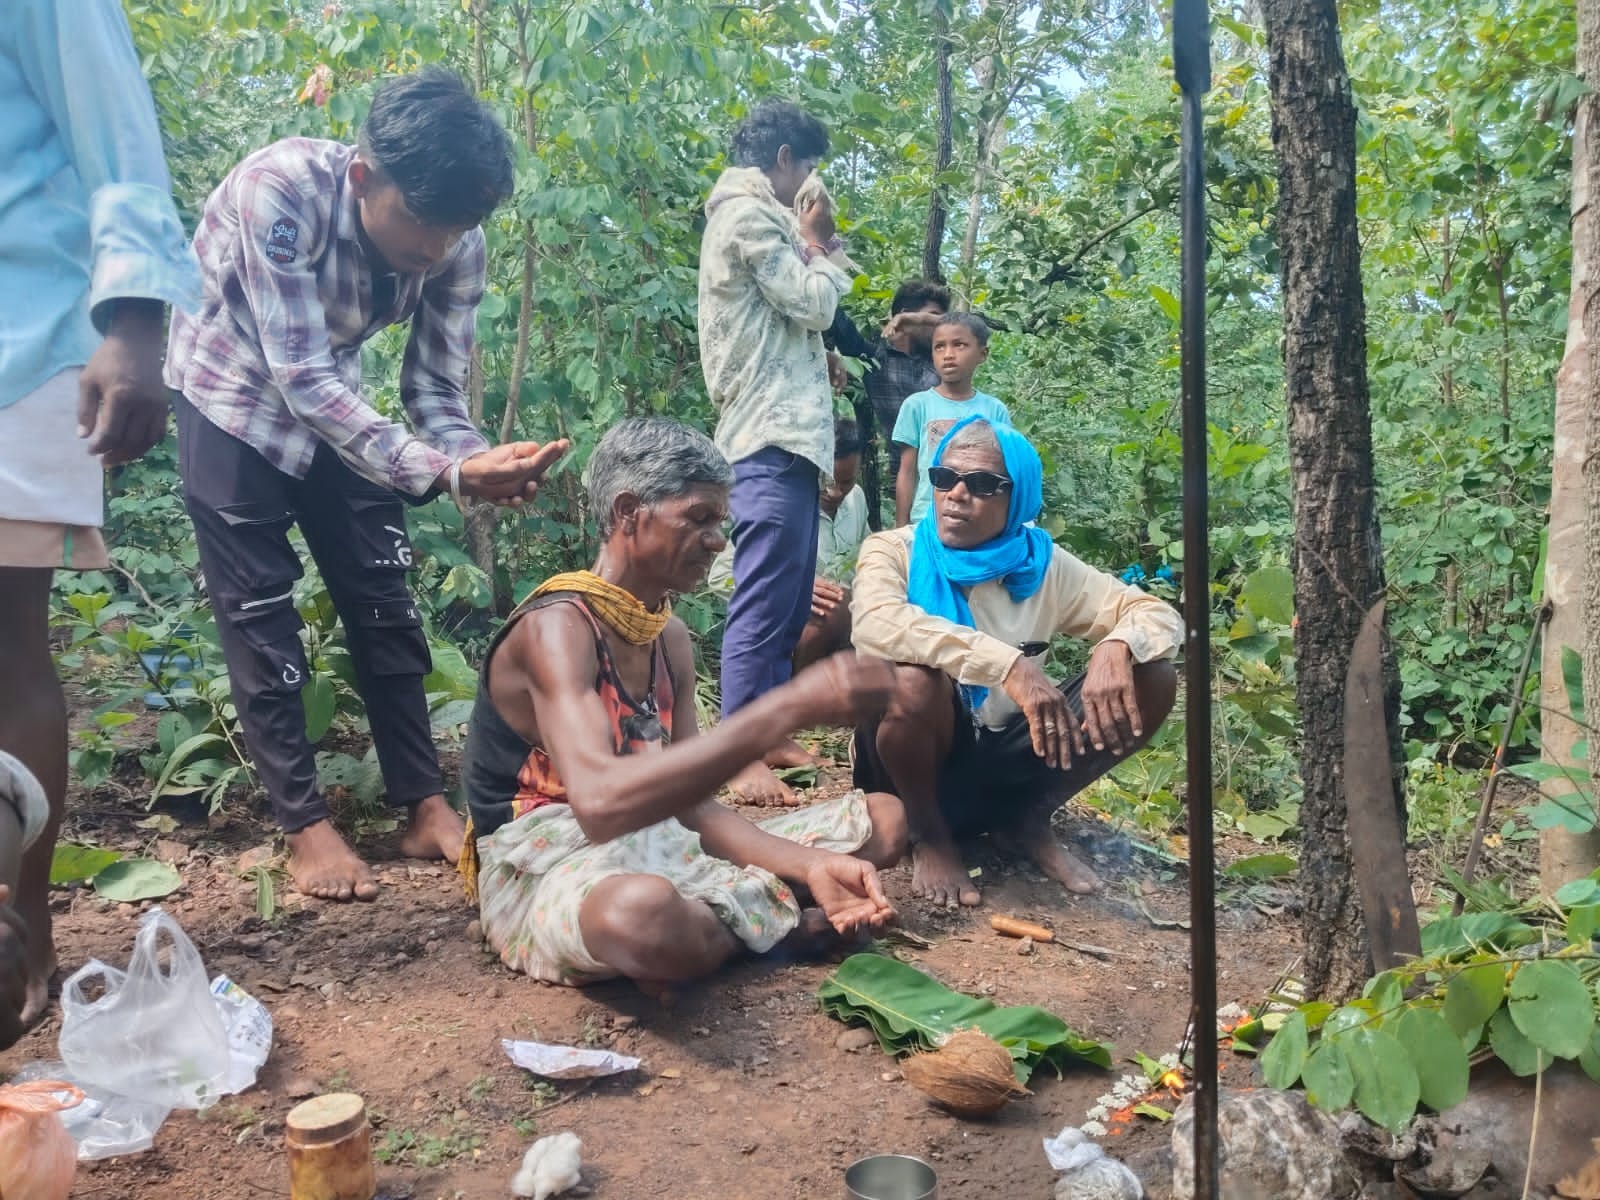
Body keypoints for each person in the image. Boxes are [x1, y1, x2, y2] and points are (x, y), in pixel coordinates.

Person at [165, 68, 568, 903]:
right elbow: (300, 374)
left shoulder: (457, 240)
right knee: (258, 610)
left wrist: (476, 467)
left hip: (340, 407)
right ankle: (306, 827)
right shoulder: (278, 193)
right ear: (363, 178)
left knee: (385, 595)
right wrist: (443, 470)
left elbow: (433, 392)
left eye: (457, 230)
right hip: (232, 393)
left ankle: (423, 804)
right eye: (423, 224)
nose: (438, 249)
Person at [461, 418, 906, 988]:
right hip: (554, 857)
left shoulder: (666, 636)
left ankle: (736, 914)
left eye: (721, 521)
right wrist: (788, 709)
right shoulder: (557, 628)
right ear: (628, 512)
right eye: (699, 518)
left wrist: (812, 863)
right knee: (640, 918)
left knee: (884, 822)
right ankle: (779, 922)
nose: (718, 540)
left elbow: (692, 805)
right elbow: (597, 806)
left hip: (659, 834)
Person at [0, 0, 203, 1048]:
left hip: (19, 338)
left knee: (5, 645)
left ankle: (18, 927)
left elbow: (116, 132)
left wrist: (134, 323)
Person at [851, 417, 1182, 908]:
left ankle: (1023, 821)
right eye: (944, 478)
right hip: (906, 762)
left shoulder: (1041, 564)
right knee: (913, 681)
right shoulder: (892, 550)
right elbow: (878, 626)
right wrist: (1007, 664)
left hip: (1007, 755)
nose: (957, 495)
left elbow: (1155, 614)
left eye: (983, 484)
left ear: (1019, 498)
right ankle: (930, 836)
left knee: (1153, 676)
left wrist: (1117, 646)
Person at [698, 100, 856, 806]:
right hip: (763, 435)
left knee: (789, 595)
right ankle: (737, 748)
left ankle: (768, 732)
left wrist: (814, 358)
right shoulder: (749, 213)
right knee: (763, 599)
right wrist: (820, 246)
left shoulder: (757, 216)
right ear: (786, 157)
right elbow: (811, 302)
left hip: (786, 432)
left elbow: (788, 322)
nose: (811, 182)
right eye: (810, 166)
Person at [707, 418, 870, 680]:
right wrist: (794, 586)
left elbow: (866, 559)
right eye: (827, 480)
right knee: (828, 612)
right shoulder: (782, 508)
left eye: (846, 482)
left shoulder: (857, 499)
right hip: (794, 630)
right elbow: (720, 576)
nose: (836, 492)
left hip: (850, 630)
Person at [892, 313, 1011, 527]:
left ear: (982, 354)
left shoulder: (994, 410)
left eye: (959, 345)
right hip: (926, 520)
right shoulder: (917, 405)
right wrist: (901, 526)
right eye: (939, 346)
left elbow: (1004, 473)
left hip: (976, 520)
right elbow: (907, 471)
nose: (948, 354)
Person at [829, 279, 951, 482]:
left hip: (955, 468)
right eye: (934, 317)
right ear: (903, 315)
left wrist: (920, 318)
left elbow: (970, 327)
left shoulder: (942, 358)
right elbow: (836, 319)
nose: (938, 326)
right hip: (909, 477)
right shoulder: (877, 360)